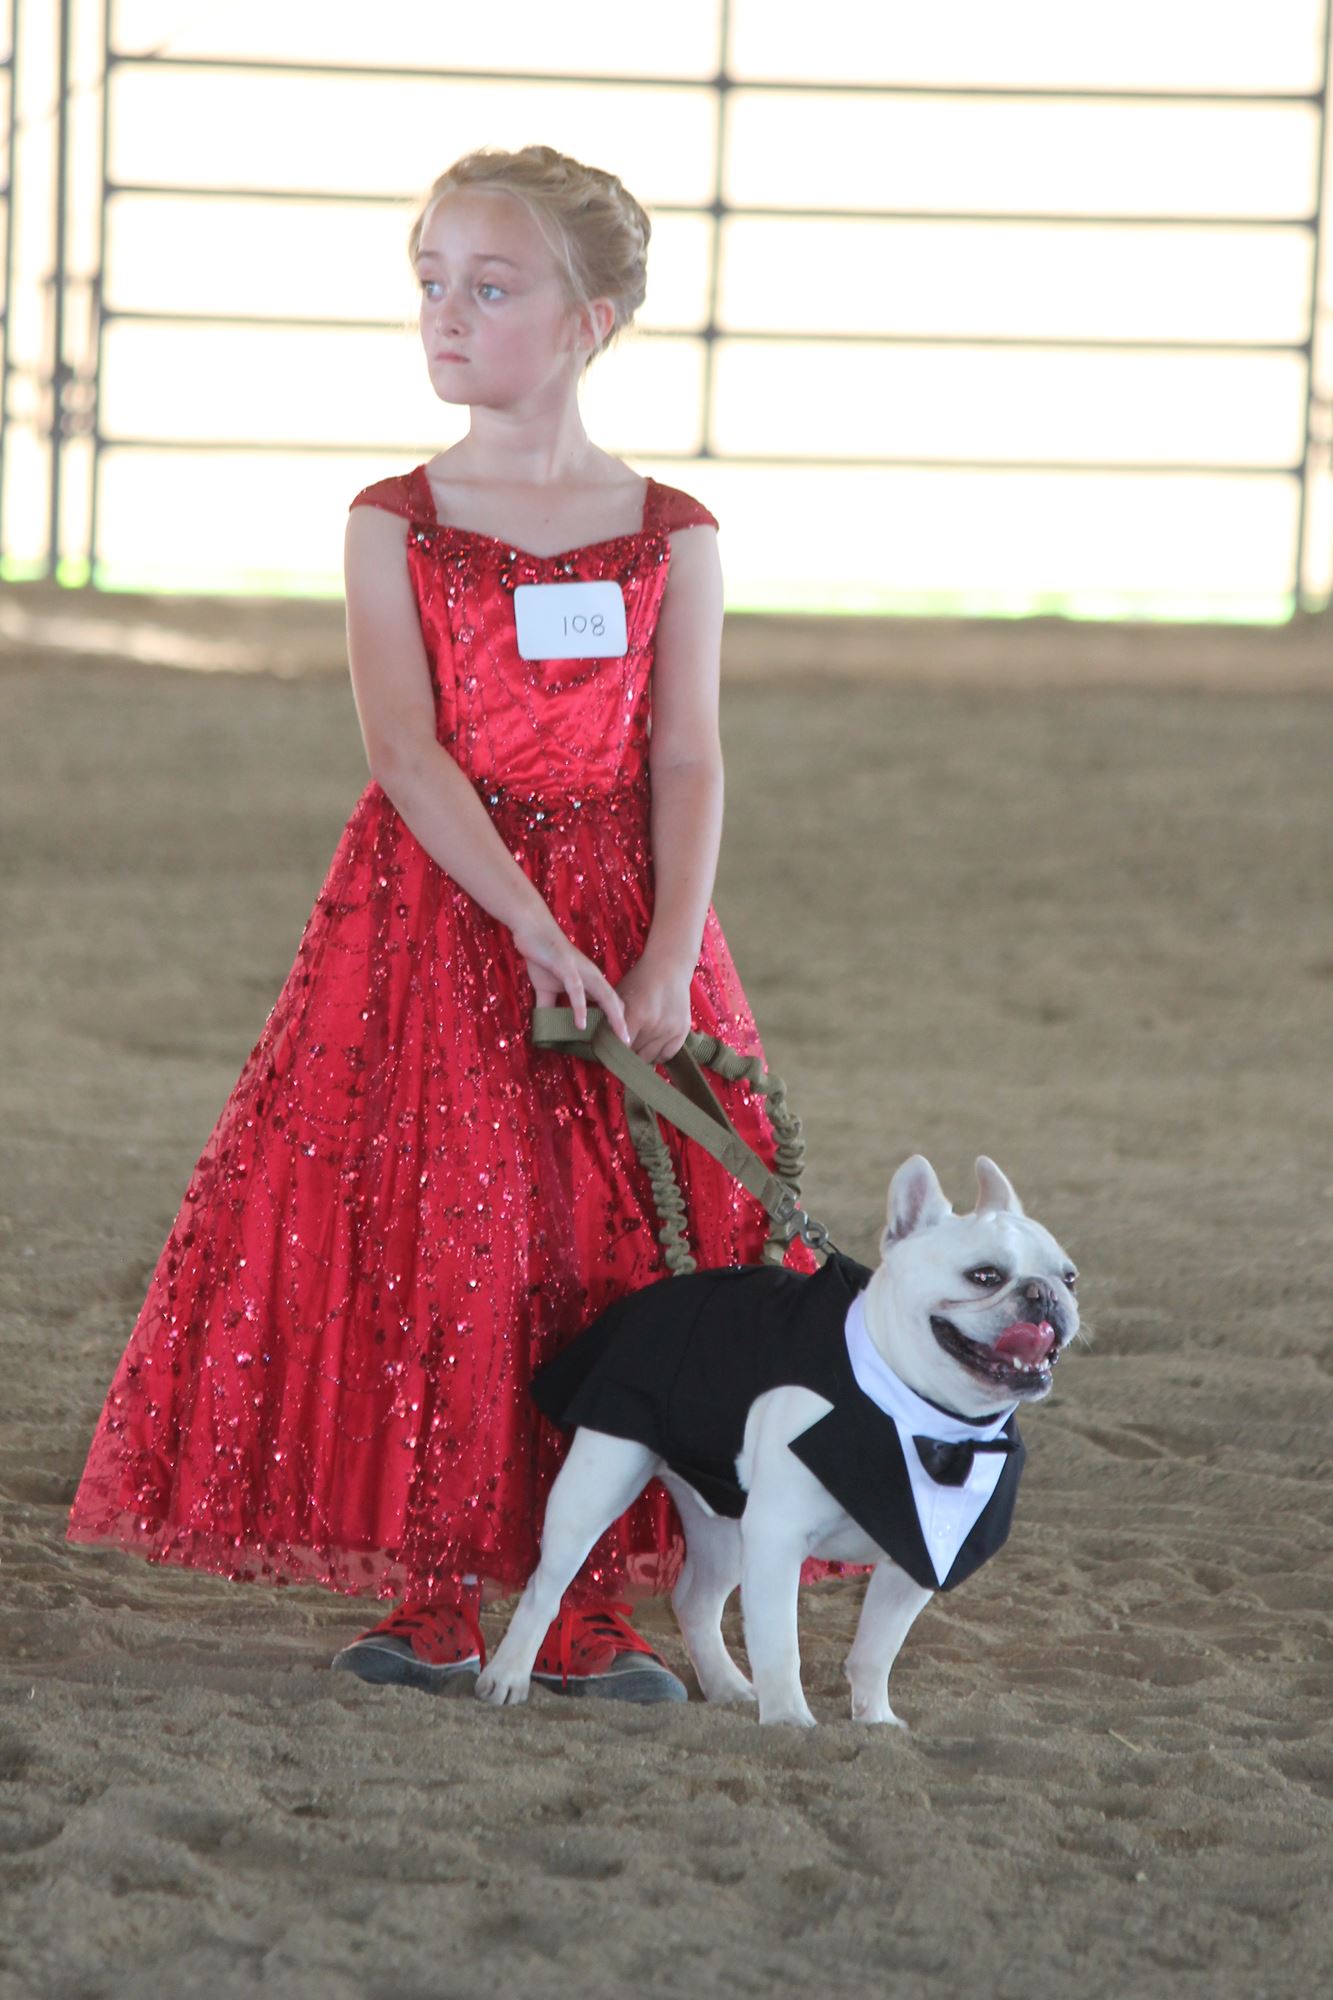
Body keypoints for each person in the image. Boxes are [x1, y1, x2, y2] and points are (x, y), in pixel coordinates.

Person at [68, 143, 806, 1704]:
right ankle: (432, 1589)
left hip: (623, 915)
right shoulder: (394, 521)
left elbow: (686, 753)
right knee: (441, 1233)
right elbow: (404, 753)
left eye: (489, 285)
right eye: (429, 286)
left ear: (591, 319)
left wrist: (666, 951)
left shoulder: (672, 532)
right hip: (438, 914)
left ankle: (590, 1596)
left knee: (616, 1240)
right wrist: (531, 923)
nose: (446, 316)